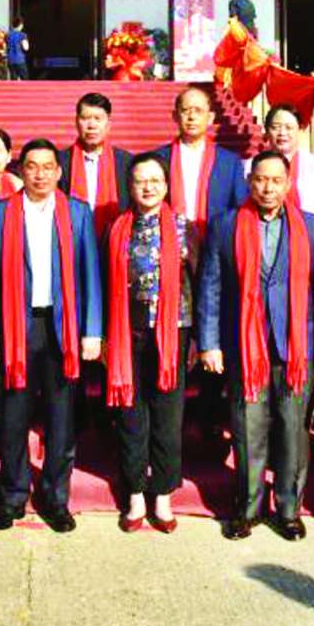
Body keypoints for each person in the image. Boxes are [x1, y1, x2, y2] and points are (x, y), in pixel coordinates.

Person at [199, 151, 314, 541]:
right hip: (245, 345)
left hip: (296, 346)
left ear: (288, 183)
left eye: (276, 180)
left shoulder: (310, 226)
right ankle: (248, 509)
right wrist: (209, 343)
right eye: (260, 179)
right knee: (248, 429)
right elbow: (210, 286)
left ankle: (289, 509)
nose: (268, 188)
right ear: (249, 182)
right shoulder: (226, 225)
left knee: (293, 430)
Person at [0, 139, 103, 533]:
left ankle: (55, 498)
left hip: (62, 328)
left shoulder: (78, 213)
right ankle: (12, 496)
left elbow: (91, 273)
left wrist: (92, 330)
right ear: (21, 170)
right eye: (32, 166)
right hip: (17, 327)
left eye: (48, 167)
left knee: (60, 418)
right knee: (13, 416)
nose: (40, 174)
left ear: (59, 172)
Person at [103, 155, 196, 534]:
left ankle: (163, 494)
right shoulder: (117, 228)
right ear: (130, 186)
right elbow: (105, 283)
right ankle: (135, 494)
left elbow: (198, 281)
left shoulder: (184, 228)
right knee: (131, 416)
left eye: (155, 180)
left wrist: (198, 340)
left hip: (173, 333)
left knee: (168, 417)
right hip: (127, 334)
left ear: (167, 185)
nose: (148, 187)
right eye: (141, 180)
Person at [155, 86, 248, 249]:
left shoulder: (229, 162)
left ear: (210, 117)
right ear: (175, 116)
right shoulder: (158, 159)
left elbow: (240, 208)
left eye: (198, 111)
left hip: (215, 245)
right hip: (167, 244)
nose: (192, 117)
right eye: (186, 110)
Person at [58, 91, 131, 242]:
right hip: (71, 241)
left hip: (116, 241)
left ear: (108, 124)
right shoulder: (60, 161)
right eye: (85, 118)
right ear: (76, 122)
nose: (91, 125)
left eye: (98, 119)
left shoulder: (126, 162)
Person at [263, 104, 314, 248]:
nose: (282, 133)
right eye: (276, 127)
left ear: (299, 130)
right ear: (266, 131)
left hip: (308, 243)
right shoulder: (253, 166)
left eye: (289, 127)